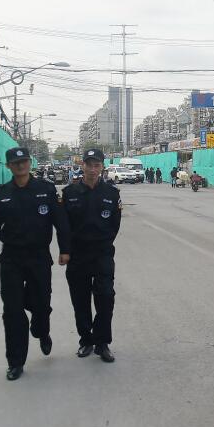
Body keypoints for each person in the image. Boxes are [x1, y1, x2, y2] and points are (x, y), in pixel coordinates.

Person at [0, 147, 71, 381]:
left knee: (41, 305)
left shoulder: (46, 190)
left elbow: (60, 222)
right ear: (8, 166)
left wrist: (65, 250)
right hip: (12, 259)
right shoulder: (1, 195)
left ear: (30, 163)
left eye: (24, 162)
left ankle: (42, 331)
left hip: (39, 258)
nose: (20, 166)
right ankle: (16, 362)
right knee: (12, 311)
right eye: (15, 163)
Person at [61, 148, 122, 361]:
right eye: (89, 164)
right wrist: (65, 250)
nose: (93, 169)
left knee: (106, 298)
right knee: (80, 300)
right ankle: (86, 340)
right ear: (83, 166)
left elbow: (115, 225)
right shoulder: (69, 193)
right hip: (77, 256)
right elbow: (64, 226)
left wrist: (103, 244)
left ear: (102, 167)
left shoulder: (112, 194)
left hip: (102, 254)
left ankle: (102, 342)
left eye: (97, 165)